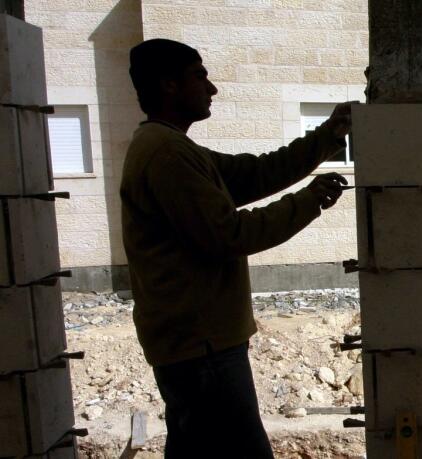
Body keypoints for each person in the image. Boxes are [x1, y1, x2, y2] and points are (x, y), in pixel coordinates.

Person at [120, 38, 354, 458]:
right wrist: (310, 199)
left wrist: (327, 137)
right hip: (202, 347)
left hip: (195, 343)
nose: (212, 89)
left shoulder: (171, 147)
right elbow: (229, 235)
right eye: (200, 76)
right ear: (169, 85)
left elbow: (253, 173)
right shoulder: (166, 154)